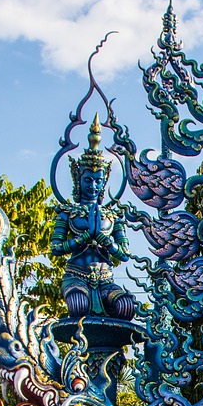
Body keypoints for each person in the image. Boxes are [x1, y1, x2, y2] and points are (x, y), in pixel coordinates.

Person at [54, 117, 136, 320]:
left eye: (98, 181)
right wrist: (82, 239)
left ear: (104, 182)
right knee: (78, 305)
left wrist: (103, 239)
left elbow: (125, 254)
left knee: (126, 306)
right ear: (78, 179)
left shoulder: (112, 215)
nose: (93, 186)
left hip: (105, 280)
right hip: (76, 276)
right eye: (88, 180)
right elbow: (56, 248)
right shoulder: (67, 212)